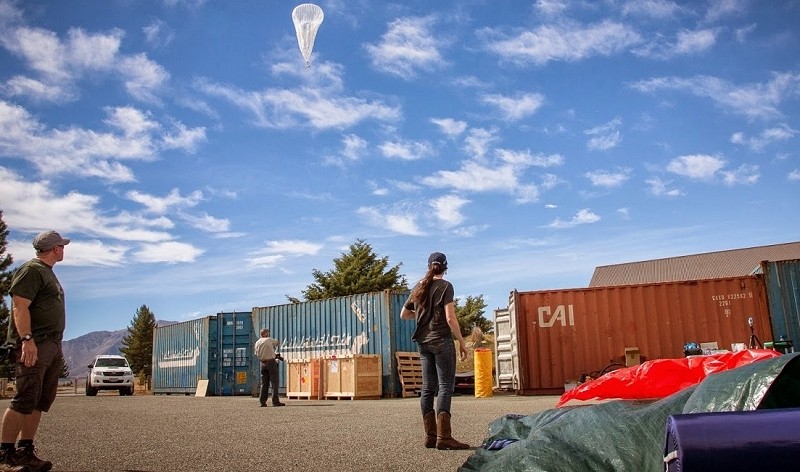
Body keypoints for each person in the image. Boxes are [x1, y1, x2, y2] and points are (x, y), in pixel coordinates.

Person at [1, 230, 71, 472]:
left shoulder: (47, 273)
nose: (64, 249)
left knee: (40, 400)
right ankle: (5, 455)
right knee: (25, 398)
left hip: (51, 344)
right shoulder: (32, 270)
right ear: (55, 249)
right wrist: (26, 339)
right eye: (62, 246)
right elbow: (19, 306)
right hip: (35, 343)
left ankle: (25, 450)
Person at [400, 252, 469, 450]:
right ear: (446, 267)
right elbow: (450, 318)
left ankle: (430, 436)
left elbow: (404, 314)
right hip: (441, 341)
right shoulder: (446, 286)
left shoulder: (418, 287)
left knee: (428, 388)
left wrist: (423, 315)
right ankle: (444, 437)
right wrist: (462, 342)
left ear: (429, 266)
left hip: (423, 343)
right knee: (445, 386)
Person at [254, 328, 285, 407]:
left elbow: (256, 353)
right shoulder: (268, 340)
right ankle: (275, 401)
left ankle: (262, 402)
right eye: (268, 332)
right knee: (274, 382)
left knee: (264, 383)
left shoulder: (257, 342)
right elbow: (277, 343)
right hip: (271, 362)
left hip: (262, 363)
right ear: (266, 333)